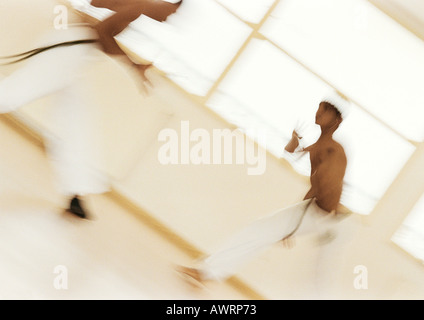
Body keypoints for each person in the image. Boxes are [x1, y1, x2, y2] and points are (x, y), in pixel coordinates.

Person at [0, 0, 183, 219]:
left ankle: (76, 196)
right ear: (166, 4)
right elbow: (103, 33)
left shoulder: (135, 5)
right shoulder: (139, 6)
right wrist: (134, 66)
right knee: (14, 94)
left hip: (74, 51)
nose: (168, 20)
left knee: (76, 122)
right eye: (173, 12)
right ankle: (76, 194)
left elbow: (95, 4)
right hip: (69, 51)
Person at [177, 94, 354, 295]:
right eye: (320, 107)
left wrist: (295, 225)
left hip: (331, 220)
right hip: (316, 212)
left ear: (337, 120)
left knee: (320, 277)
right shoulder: (320, 145)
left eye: (327, 109)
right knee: (258, 231)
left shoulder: (333, 150)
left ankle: (205, 273)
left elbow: (328, 187)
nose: (319, 111)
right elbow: (294, 154)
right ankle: (205, 273)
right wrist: (294, 142)